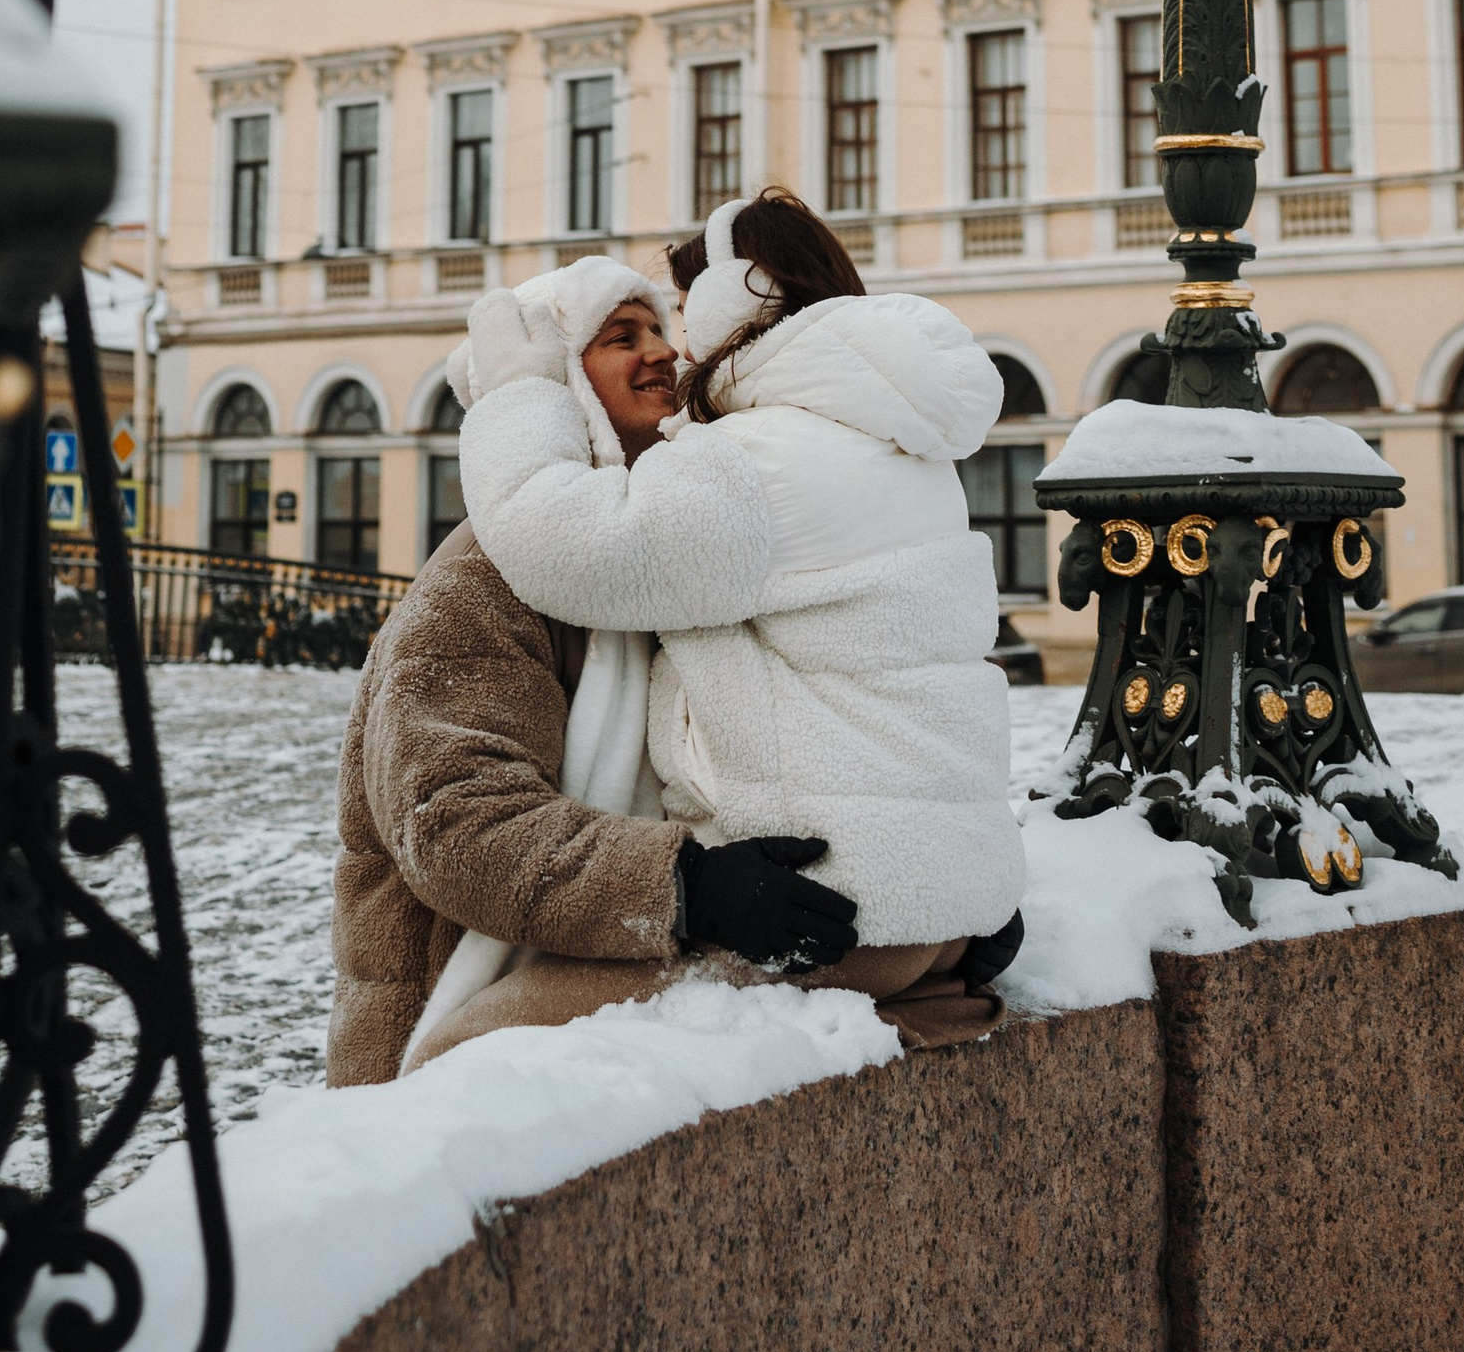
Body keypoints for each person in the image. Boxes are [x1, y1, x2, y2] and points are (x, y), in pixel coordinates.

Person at [455, 187, 1024, 1056]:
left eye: (681, 312)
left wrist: (517, 392)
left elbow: (563, 538)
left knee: (466, 1050)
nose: (673, 348)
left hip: (832, 909)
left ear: (736, 299)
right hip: (940, 908)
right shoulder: (889, 441)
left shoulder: (761, 461)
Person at [327, 254, 859, 1084]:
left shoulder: (666, 557)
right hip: (450, 1027)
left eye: (660, 330)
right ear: (560, 385)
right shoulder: (481, 577)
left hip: (610, 1012)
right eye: (621, 337)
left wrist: (932, 908)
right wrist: (687, 886)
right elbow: (453, 821)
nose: (664, 354)